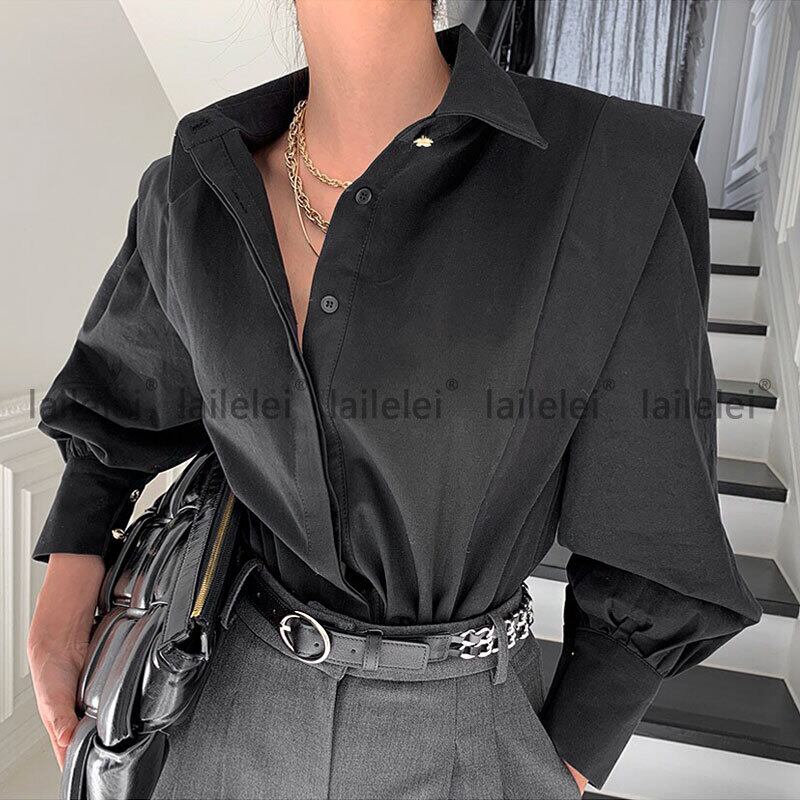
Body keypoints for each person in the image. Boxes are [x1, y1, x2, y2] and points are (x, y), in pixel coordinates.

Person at [27, 1, 762, 797]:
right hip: (218, 715)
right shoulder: (195, 189)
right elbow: (120, 400)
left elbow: (656, 520)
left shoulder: (609, 176)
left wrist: (556, 766)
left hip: (468, 731)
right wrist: (64, 598)